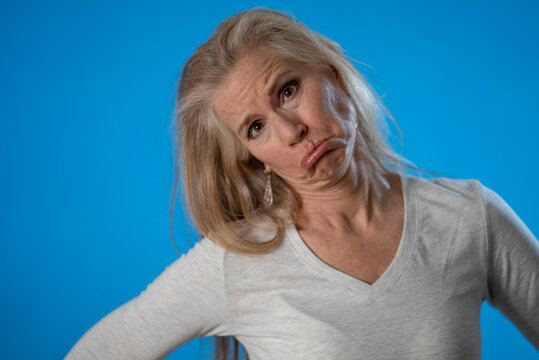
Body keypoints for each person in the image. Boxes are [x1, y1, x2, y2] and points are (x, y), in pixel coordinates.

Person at [65, 9, 539, 360]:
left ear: (332, 74)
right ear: (254, 158)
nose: (291, 132)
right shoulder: (237, 262)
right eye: (256, 128)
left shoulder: (468, 216)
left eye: (288, 91)